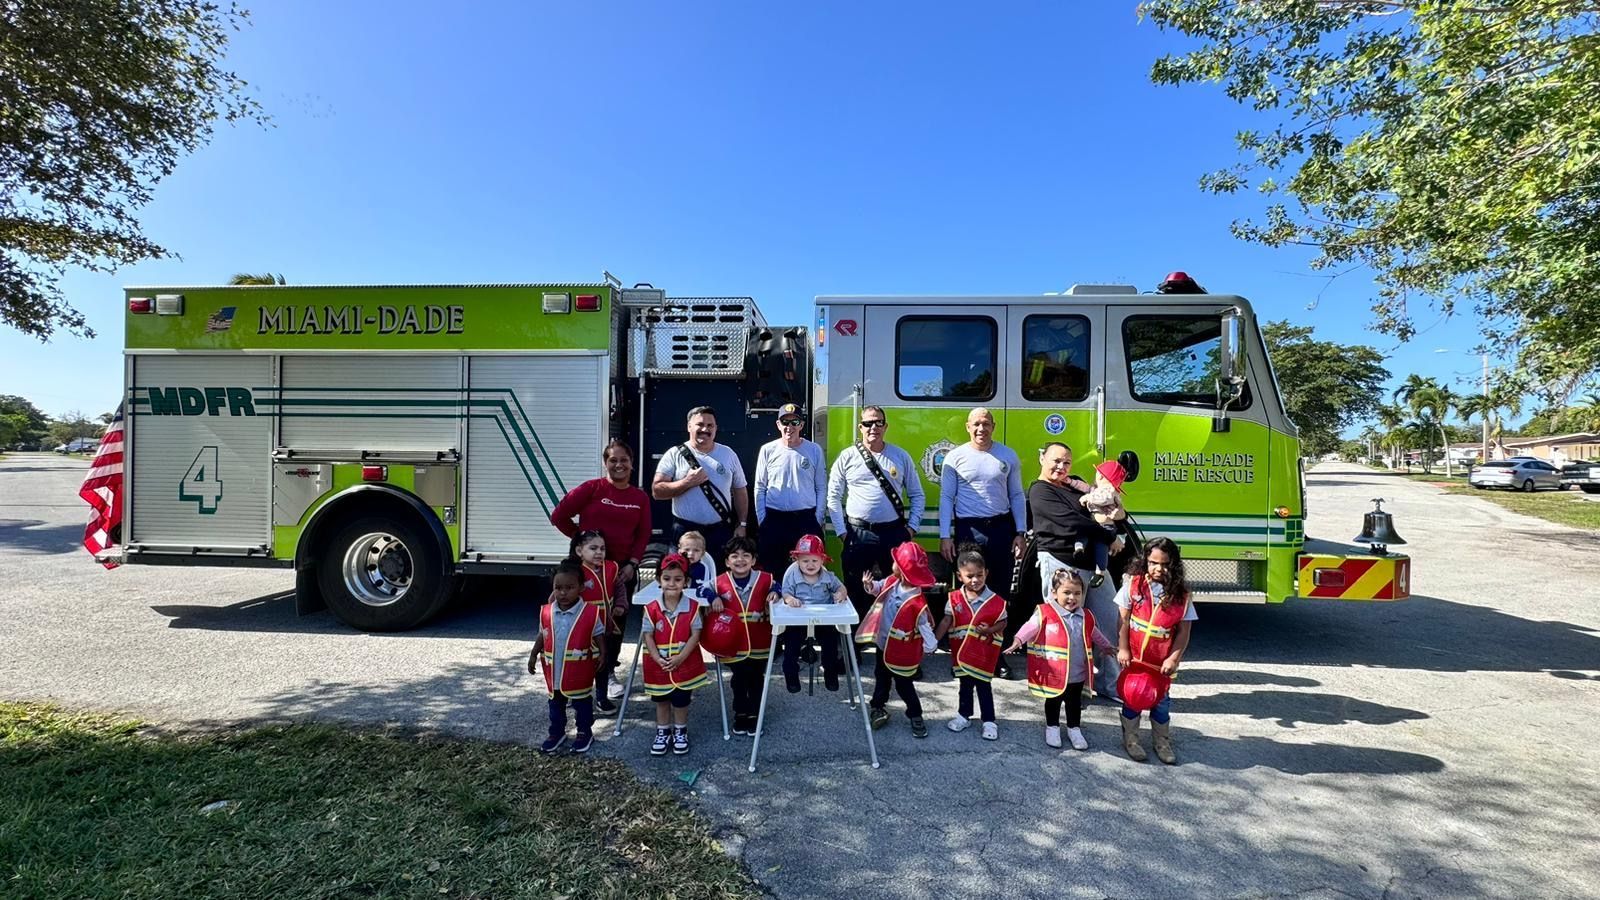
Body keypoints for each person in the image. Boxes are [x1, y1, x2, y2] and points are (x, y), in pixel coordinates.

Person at [549, 439, 651, 703]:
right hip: (583, 572)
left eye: (624, 460)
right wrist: (581, 542)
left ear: (631, 463)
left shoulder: (639, 497)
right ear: (605, 462)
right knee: (578, 625)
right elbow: (559, 516)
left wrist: (632, 563)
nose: (618, 465)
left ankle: (608, 676)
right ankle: (574, 677)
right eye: (613, 460)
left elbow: (643, 534)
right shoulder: (591, 489)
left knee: (613, 625)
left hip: (620, 572)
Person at [1027, 441, 1123, 701]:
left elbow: (1106, 510)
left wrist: (1115, 519)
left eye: (1066, 462)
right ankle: (1059, 684)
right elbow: (1071, 521)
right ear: (1042, 459)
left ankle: (1109, 684)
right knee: (1061, 628)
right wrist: (1107, 533)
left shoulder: (1076, 483)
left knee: (1109, 620)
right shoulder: (1039, 491)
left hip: (1093, 567)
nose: (1061, 466)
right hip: (1060, 563)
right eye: (1056, 460)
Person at [827, 406, 925, 619]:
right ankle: (854, 648)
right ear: (860, 427)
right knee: (854, 591)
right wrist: (842, 533)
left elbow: (917, 495)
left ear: (885, 426)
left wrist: (911, 529)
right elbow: (833, 498)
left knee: (894, 591)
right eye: (868, 423)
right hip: (857, 533)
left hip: (894, 533)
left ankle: (887, 648)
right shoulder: (847, 457)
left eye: (878, 422)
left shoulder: (900, 456)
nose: (874, 427)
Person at [1006, 567, 1115, 751]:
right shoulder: (1044, 613)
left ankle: (1074, 729)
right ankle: (1052, 727)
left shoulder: (1085, 615)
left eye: (1077, 593)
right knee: (1053, 702)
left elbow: (1094, 633)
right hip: (1054, 674)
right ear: (1054, 592)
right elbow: (1030, 627)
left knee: (1074, 703)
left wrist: (1106, 646)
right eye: (1067, 593)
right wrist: (1017, 641)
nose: (1072, 598)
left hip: (1077, 674)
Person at [938, 407, 1026, 616]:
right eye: (976, 424)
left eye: (986, 424)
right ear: (968, 427)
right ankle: (968, 634)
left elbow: (1016, 495)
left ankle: (998, 637)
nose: (981, 428)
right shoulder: (954, 458)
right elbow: (946, 498)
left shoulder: (1008, 455)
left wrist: (1020, 532)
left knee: (1000, 583)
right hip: (968, 529)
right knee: (970, 582)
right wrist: (944, 536)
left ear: (993, 426)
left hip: (1001, 527)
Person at [1116, 537, 1196, 765]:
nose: (1158, 569)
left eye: (1165, 564)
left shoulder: (1182, 596)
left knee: (1161, 702)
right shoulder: (1133, 585)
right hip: (1135, 660)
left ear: (1173, 564)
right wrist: (1122, 648)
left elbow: (1183, 632)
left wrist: (1173, 658)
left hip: (1160, 664)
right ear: (1145, 561)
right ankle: (1131, 738)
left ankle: (1161, 741)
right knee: (1133, 697)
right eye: (1153, 562)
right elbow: (1122, 619)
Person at [858, 542, 939, 738]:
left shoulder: (916, 602)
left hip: (903, 651)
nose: (892, 563)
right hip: (883, 644)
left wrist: (930, 645)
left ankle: (915, 714)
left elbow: (924, 626)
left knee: (904, 684)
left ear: (903, 570)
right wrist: (870, 586)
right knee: (881, 677)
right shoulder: (891, 582)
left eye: (896, 562)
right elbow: (878, 589)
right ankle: (877, 706)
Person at [652, 406, 749, 564]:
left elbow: (740, 490)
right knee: (681, 580)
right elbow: (657, 491)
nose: (705, 429)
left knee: (718, 580)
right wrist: (687, 482)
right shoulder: (674, 454)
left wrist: (742, 524)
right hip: (685, 533)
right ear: (689, 426)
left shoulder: (728, 454)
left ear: (716, 428)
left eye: (710, 425)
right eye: (700, 424)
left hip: (720, 532)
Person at [527, 560, 605, 754]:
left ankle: (584, 733)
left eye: (569, 587)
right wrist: (533, 653)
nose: (563, 592)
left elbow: (599, 636)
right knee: (555, 704)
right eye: (558, 587)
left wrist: (604, 654)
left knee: (582, 703)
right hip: (554, 672)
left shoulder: (590, 612)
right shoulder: (546, 611)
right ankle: (556, 733)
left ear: (580, 587)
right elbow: (542, 634)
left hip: (579, 671)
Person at [935, 546, 1006, 740]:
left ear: (986, 573)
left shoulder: (996, 601)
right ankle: (963, 715)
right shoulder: (954, 598)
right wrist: (932, 642)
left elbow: (1003, 621)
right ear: (959, 576)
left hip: (983, 654)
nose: (975, 580)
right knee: (964, 686)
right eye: (969, 576)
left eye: (979, 575)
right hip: (962, 654)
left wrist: (990, 630)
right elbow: (946, 621)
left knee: (984, 687)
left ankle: (989, 721)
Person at [642, 554, 709, 756]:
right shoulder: (651, 608)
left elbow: (696, 635)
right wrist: (656, 658)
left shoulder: (694, 607)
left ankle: (680, 730)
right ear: (658, 581)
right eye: (667, 578)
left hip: (684, 664)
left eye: (678, 579)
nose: (672, 583)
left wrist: (680, 658)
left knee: (681, 700)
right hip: (659, 666)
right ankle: (662, 731)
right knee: (661, 700)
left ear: (686, 581)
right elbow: (648, 636)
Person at [708, 536, 775, 735]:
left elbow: (778, 587)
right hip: (733, 643)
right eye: (734, 556)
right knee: (739, 677)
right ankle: (741, 712)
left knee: (756, 677)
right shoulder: (719, 582)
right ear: (727, 561)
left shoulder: (766, 578)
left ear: (753, 560)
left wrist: (775, 593)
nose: (740, 560)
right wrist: (714, 597)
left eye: (746, 555)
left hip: (759, 641)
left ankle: (755, 714)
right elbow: (703, 590)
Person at [753, 403, 827, 577]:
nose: (789, 427)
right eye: (785, 422)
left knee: (809, 573)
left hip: (805, 519)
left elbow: (821, 487)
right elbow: (760, 487)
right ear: (778, 425)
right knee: (772, 572)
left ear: (801, 425)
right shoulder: (767, 450)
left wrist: (817, 518)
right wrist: (762, 519)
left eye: (795, 422)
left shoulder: (814, 450)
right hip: (774, 519)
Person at [779, 534, 850, 693]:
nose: (810, 565)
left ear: (822, 561)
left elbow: (841, 588)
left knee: (830, 644)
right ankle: (791, 674)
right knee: (791, 645)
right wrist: (790, 599)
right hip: (798, 619)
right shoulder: (792, 576)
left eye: (814, 561)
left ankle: (830, 672)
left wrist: (840, 594)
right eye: (805, 561)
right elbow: (785, 593)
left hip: (823, 620)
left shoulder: (828, 577)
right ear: (797, 561)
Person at [569, 531, 626, 714]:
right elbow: (559, 595)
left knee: (602, 663)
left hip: (605, 628)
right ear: (579, 551)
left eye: (602, 548)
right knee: (579, 663)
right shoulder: (574, 572)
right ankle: (574, 694)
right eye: (593, 548)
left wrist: (620, 605)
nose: (599, 552)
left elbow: (619, 588)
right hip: (581, 629)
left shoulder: (611, 568)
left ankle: (602, 699)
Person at [1079, 460, 1129, 588]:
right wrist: (1071, 482)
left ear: (1101, 476)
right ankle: (1079, 548)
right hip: (1094, 525)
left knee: (1101, 547)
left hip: (1105, 527)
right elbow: (1083, 487)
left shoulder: (1109, 491)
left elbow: (1103, 499)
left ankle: (1100, 572)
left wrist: (1088, 498)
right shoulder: (1096, 489)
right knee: (1082, 535)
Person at [676, 530, 718, 601]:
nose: (691, 553)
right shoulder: (674, 566)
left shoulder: (703, 569)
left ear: (702, 553)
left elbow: (706, 587)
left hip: (697, 602)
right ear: (680, 551)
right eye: (687, 549)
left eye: (696, 550)